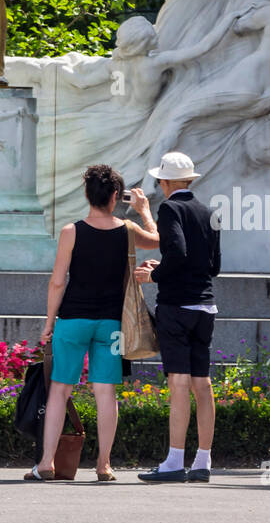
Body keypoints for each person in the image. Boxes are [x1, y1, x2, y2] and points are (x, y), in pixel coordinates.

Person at [24, 165, 159, 483]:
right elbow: (156, 240)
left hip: (72, 319)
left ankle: (46, 463)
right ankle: (103, 465)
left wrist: (48, 323)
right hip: (110, 322)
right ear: (116, 196)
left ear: (87, 195)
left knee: (59, 389)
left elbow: (57, 282)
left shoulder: (71, 231)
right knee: (105, 391)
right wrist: (145, 209)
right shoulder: (127, 229)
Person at [135, 151, 221, 484]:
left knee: (179, 383)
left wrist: (154, 276)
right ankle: (203, 461)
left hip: (177, 308)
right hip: (205, 307)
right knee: (203, 383)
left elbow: (178, 251)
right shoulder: (209, 211)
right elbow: (212, 266)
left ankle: (173, 461)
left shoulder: (170, 208)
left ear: (166, 182)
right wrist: (167, 266)